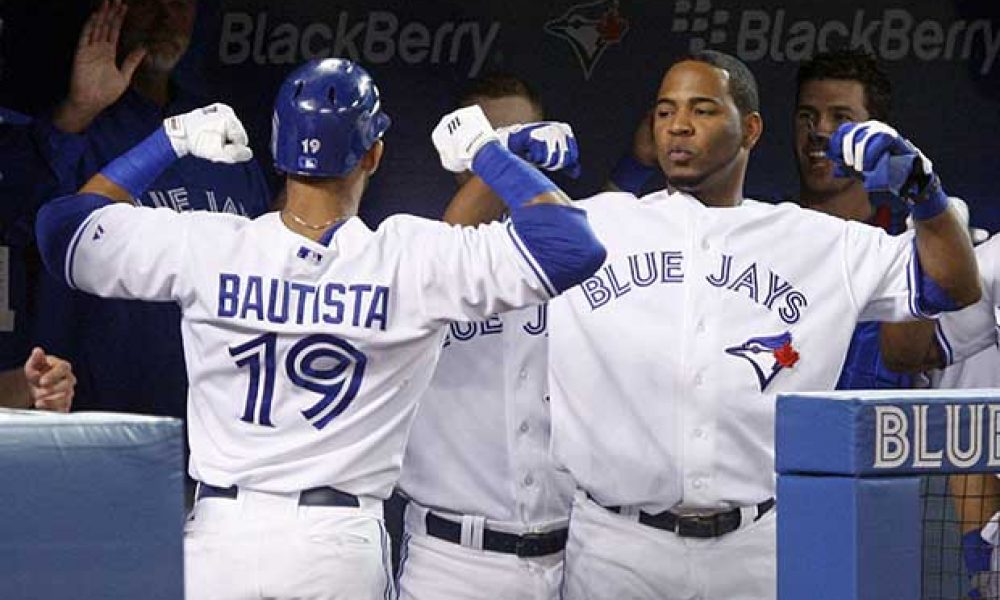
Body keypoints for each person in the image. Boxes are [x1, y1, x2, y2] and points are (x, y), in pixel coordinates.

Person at [34, 58, 605, 600]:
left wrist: (169, 142)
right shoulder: (410, 259)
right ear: (374, 154)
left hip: (220, 535)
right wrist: (488, 152)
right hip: (334, 543)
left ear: (279, 153)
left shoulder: (211, 245)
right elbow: (571, 245)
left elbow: (62, 229)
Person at [536, 50, 978, 600]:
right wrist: (495, 158)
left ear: (750, 129)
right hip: (616, 546)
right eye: (664, 110)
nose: (678, 125)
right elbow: (459, 262)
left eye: (702, 110)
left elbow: (953, 286)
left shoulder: (814, 240)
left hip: (754, 545)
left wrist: (924, 192)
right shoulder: (596, 224)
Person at [32, 0, 271, 419]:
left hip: (220, 422)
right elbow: (26, 218)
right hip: (103, 415)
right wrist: (81, 108)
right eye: (148, 1)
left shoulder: (221, 128)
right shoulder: (85, 128)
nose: (164, 16)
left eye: (179, 3)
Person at [395, 74, 578, 600]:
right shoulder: (413, 254)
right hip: (453, 562)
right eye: (489, 141)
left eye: (522, 136)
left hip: (576, 554)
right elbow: (454, 245)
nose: (509, 157)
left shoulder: (586, 250)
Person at [791, 49, 917, 390]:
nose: (819, 131)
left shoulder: (904, 250)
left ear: (878, 133)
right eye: (807, 116)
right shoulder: (764, 236)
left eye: (841, 118)